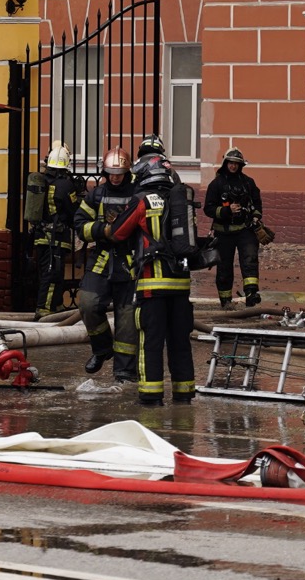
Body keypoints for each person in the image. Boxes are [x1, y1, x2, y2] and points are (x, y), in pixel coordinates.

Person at [121, 150, 200, 407]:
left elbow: (118, 232)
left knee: (150, 342)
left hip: (151, 285)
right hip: (181, 285)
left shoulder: (142, 200)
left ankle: (151, 396)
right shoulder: (181, 200)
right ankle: (184, 394)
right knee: (180, 342)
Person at [74, 149, 141, 383]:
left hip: (129, 262)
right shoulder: (96, 195)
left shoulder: (137, 194)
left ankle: (124, 371)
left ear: (127, 172)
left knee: (128, 318)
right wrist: (101, 230)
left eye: (119, 173)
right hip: (101, 258)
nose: (115, 177)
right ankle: (102, 350)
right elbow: (79, 223)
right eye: (111, 172)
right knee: (87, 303)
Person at [22, 142, 84, 319]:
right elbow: (73, 210)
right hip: (55, 239)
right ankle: (45, 309)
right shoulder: (65, 185)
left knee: (48, 273)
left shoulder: (42, 181)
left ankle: (55, 306)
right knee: (53, 275)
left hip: (41, 236)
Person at [205, 148, 266, 309]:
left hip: (245, 229)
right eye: (231, 163)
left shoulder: (248, 182)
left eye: (236, 164)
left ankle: (252, 294)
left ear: (240, 165)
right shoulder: (216, 184)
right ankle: (225, 301)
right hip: (224, 232)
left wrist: (255, 217)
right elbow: (208, 209)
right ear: (226, 164)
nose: (233, 166)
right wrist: (226, 210)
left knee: (250, 260)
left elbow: (257, 203)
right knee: (224, 267)